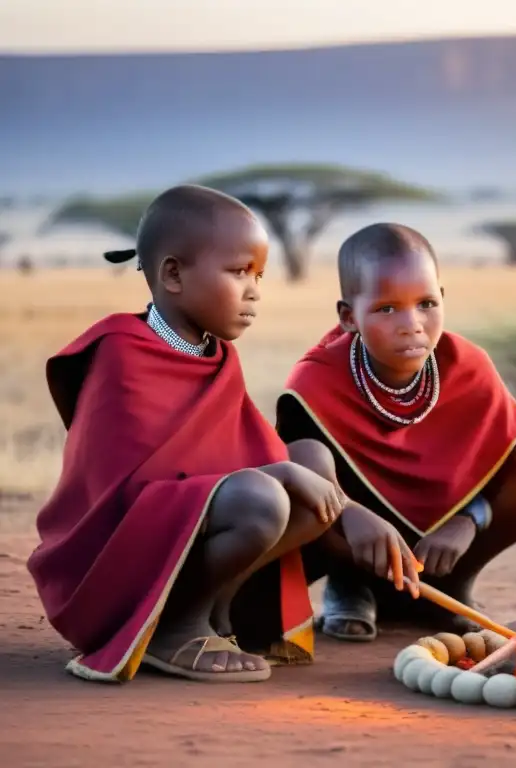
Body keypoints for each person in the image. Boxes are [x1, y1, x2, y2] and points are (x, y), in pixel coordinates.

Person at [26, 185, 415, 683]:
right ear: (172, 274)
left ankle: (213, 613)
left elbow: (254, 450)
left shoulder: (215, 353)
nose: (255, 290)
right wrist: (279, 473)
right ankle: (174, 631)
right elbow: (129, 497)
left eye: (259, 275)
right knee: (264, 495)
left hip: (183, 539)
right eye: (239, 272)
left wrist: (353, 511)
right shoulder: (121, 355)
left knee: (310, 460)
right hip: (110, 574)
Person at [276, 222, 516, 641]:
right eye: (386, 309)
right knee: (309, 477)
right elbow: (300, 472)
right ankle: (353, 584)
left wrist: (467, 519)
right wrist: (350, 513)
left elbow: (500, 466)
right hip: (352, 538)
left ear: (443, 298)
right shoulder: (317, 378)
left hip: (443, 540)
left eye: (426, 303)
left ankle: (449, 588)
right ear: (348, 316)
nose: (412, 324)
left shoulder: (467, 366)